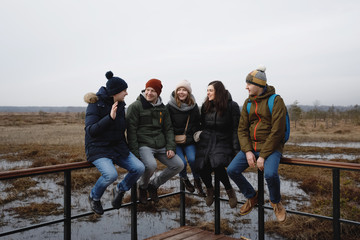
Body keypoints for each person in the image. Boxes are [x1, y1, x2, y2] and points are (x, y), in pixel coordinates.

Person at [227, 65, 287, 222]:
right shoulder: (248, 102)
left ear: (259, 85)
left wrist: (263, 156)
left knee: (270, 174)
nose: (246, 87)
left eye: (249, 84)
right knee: (232, 170)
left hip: (272, 148)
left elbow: (278, 131)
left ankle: (275, 201)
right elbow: (242, 130)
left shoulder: (276, 101)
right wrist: (247, 151)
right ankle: (252, 196)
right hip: (252, 147)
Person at [84, 71, 145, 215]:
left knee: (139, 168)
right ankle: (94, 197)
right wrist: (109, 118)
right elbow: (91, 131)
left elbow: (120, 131)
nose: (127, 93)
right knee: (111, 175)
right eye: (124, 90)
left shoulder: (121, 105)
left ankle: (119, 189)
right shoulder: (95, 104)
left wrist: (127, 150)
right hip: (98, 148)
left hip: (117, 147)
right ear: (115, 92)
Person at [126, 78, 184, 204]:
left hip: (161, 144)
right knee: (151, 165)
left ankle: (153, 185)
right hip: (144, 144)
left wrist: (170, 147)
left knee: (178, 165)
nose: (149, 93)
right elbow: (131, 132)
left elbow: (168, 129)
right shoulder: (135, 107)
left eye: (152, 91)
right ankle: (142, 187)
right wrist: (135, 153)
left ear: (158, 93)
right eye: (147, 90)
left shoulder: (163, 109)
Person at [194, 80, 240, 208]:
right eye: (207, 90)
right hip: (207, 139)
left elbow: (236, 129)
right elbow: (202, 124)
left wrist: (236, 150)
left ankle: (230, 191)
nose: (208, 93)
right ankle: (210, 189)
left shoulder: (232, 106)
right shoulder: (205, 106)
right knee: (200, 165)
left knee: (217, 163)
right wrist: (200, 134)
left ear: (218, 92)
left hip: (223, 140)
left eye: (211, 90)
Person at [166, 80, 206, 197]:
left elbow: (197, 124)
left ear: (188, 92)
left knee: (193, 159)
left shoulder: (193, 106)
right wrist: (169, 144)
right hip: (175, 141)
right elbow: (166, 126)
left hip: (189, 140)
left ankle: (197, 181)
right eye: (179, 90)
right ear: (176, 91)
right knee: (181, 163)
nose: (181, 92)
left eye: (184, 90)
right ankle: (184, 179)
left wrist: (198, 136)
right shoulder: (169, 106)